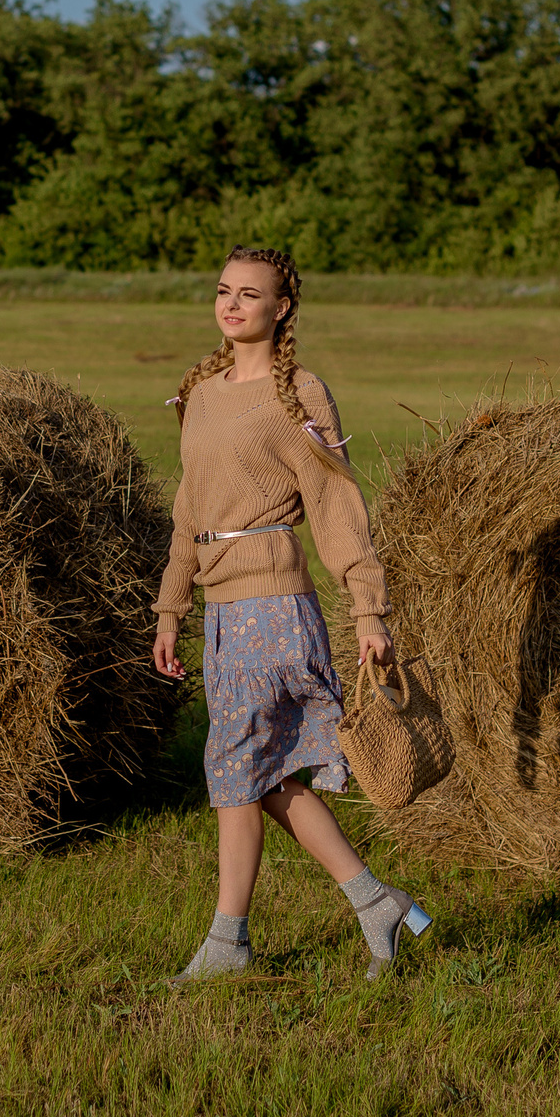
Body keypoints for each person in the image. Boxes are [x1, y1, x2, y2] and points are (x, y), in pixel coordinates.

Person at [152, 245, 432, 982]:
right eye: (223, 291)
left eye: (251, 293)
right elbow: (188, 509)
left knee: (238, 771)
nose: (232, 303)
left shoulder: (300, 392)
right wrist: (171, 606)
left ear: (283, 308)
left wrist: (369, 608)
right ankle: (375, 900)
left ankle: (228, 943)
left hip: (274, 607)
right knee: (266, 776)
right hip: (220, 607)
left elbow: (337, 503)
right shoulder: (203, 391)